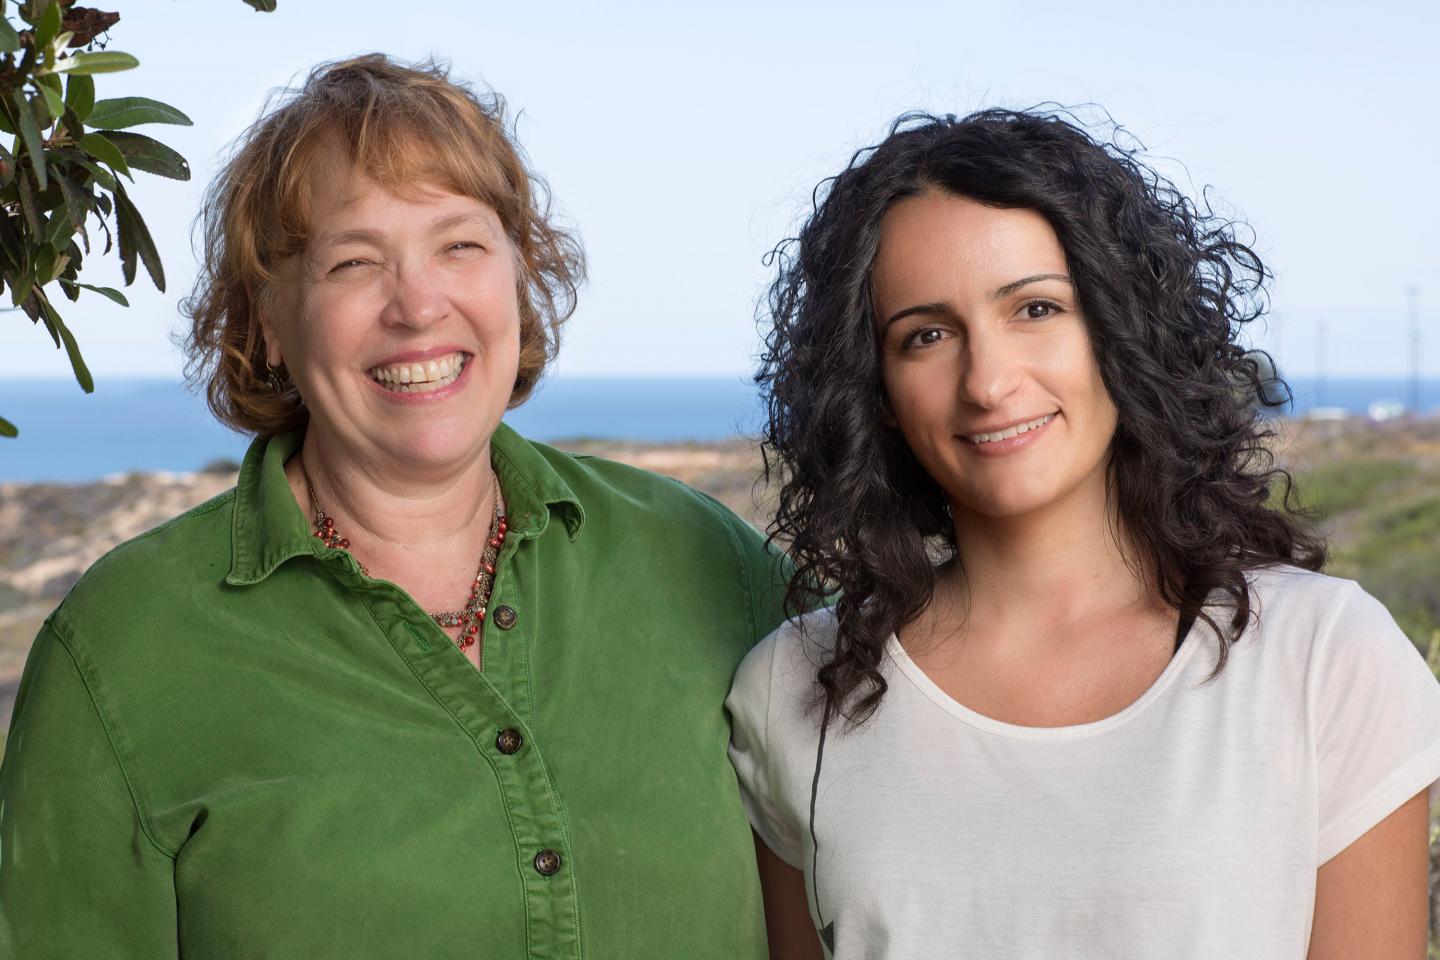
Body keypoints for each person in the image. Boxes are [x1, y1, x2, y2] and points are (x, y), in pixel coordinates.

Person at [0, 55, 789, 958]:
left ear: (519, 274)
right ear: (268, 320)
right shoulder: (123, 649)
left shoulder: (702, 559)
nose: (418, 307)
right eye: (353, 261)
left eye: (460, 246)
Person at [727, 109, 1440, 959]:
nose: (988, 382)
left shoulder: (1324, 658)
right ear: (876, 388)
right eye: (927, 335)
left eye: (1035, 308)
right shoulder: (791, 689)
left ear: (1117, 326)